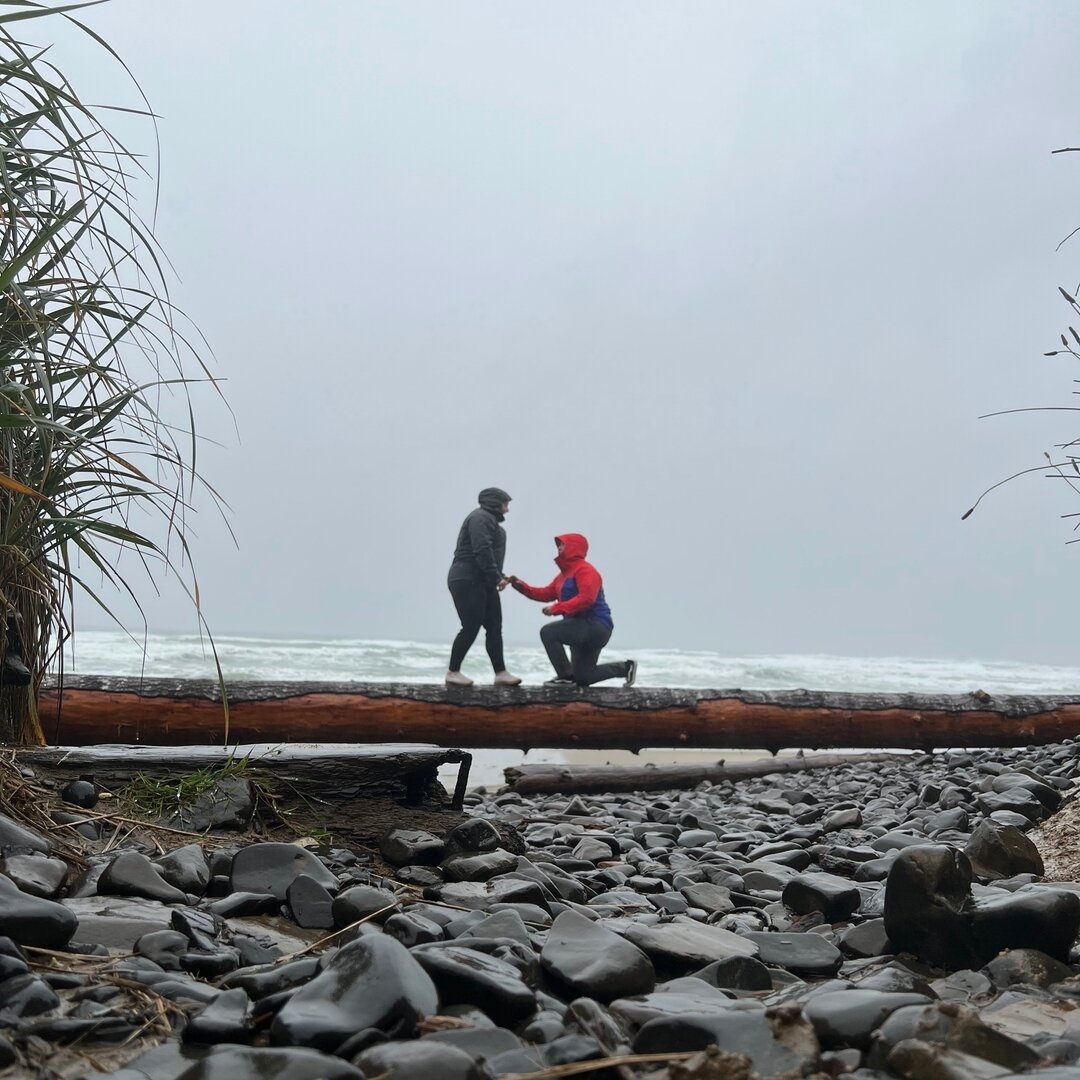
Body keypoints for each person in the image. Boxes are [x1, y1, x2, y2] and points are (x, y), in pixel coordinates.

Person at [510, 533, 637, 687]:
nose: (559, 548)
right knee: (583, 678)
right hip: (578, 627)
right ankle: (625, 668)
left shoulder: (586, 571)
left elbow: (587, 598)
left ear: (574, 547)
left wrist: (558, 608)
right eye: (558, 545)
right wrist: (520, 585)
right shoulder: (562, 576)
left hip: (595, 626)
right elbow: (545, 593)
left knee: (548, 632)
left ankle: (564, 676)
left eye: (562, 544)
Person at [445, 487, 522, 687]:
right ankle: (453, 672)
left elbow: (490, 556)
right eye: (506, 505)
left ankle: (500, 673)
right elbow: (481, 549)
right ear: (495, 503)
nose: (507, 510)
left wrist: (499, 576)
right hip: (467, 578)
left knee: (495, 626)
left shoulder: (493, 524)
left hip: (484, 580)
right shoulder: (480, 518)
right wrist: (496, 577)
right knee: (471, 625)